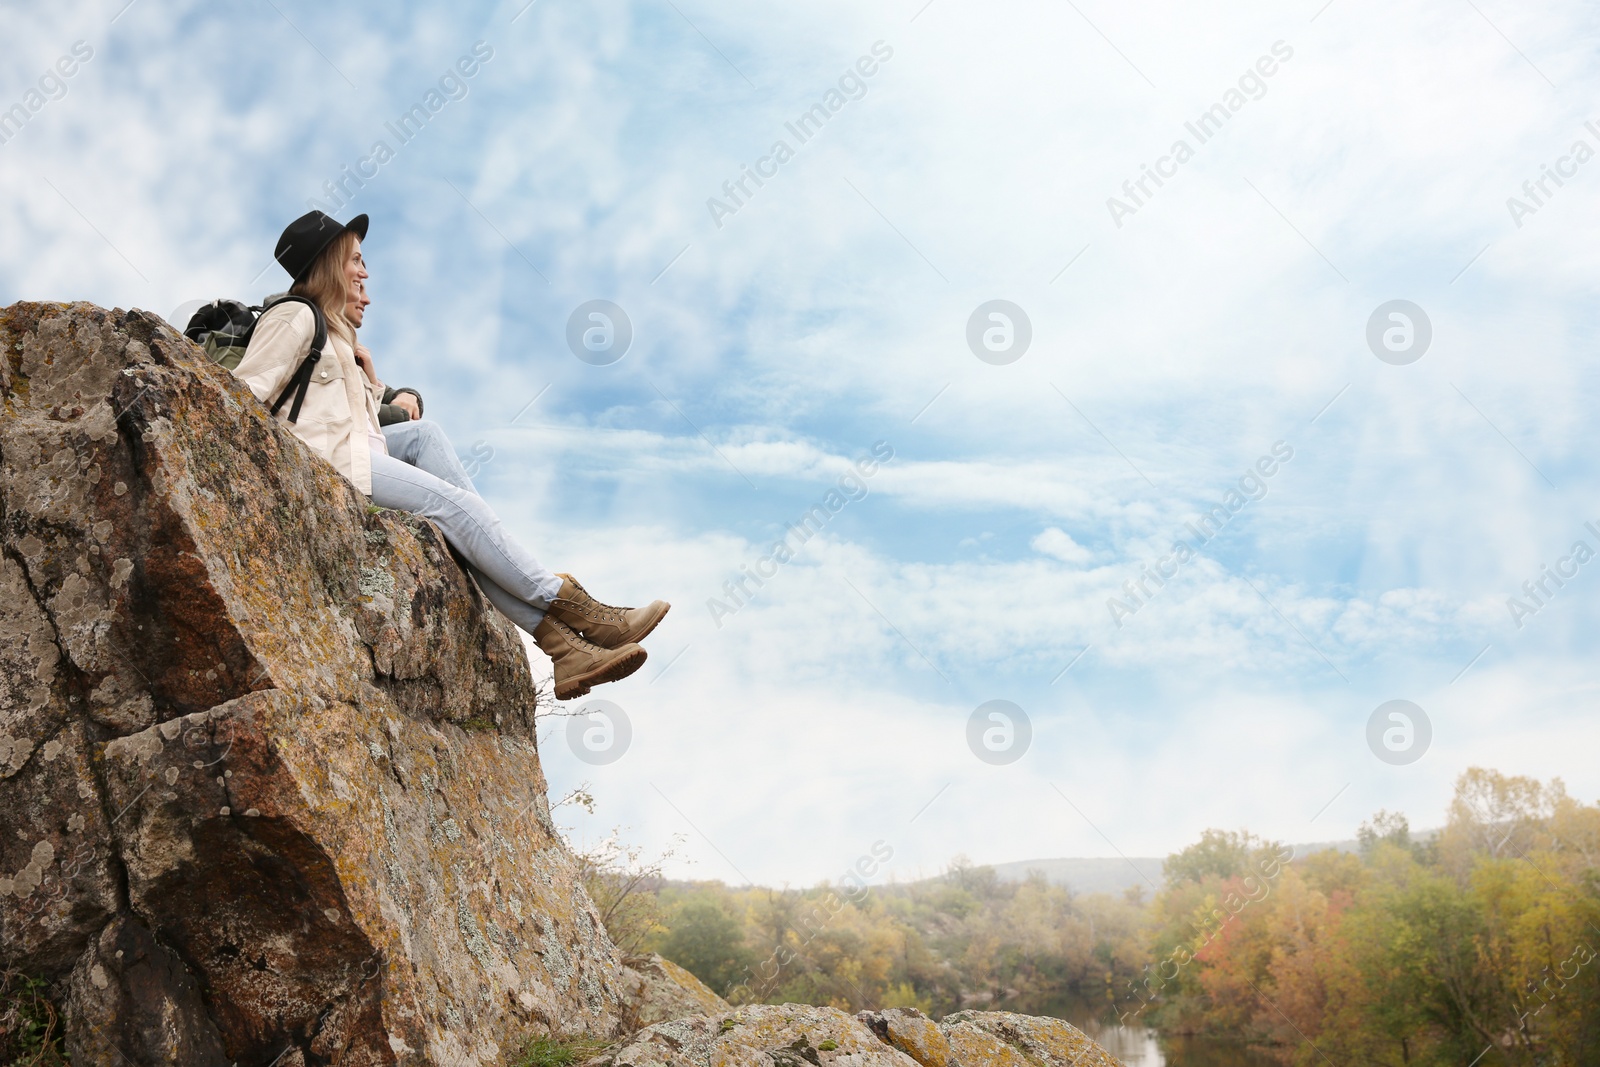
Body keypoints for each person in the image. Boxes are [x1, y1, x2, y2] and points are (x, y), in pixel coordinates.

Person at [230, 209, 668, 699]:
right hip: (332, 465)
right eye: (356, 258)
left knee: (433, 448)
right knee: (457, 511)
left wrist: (382, 386)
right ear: (330, 261)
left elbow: (361, 415)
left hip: (359, 451)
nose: (365, 271)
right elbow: (243, 395)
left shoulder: (337, 334)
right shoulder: (293, 315)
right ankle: (579, 615)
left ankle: (566, 650)